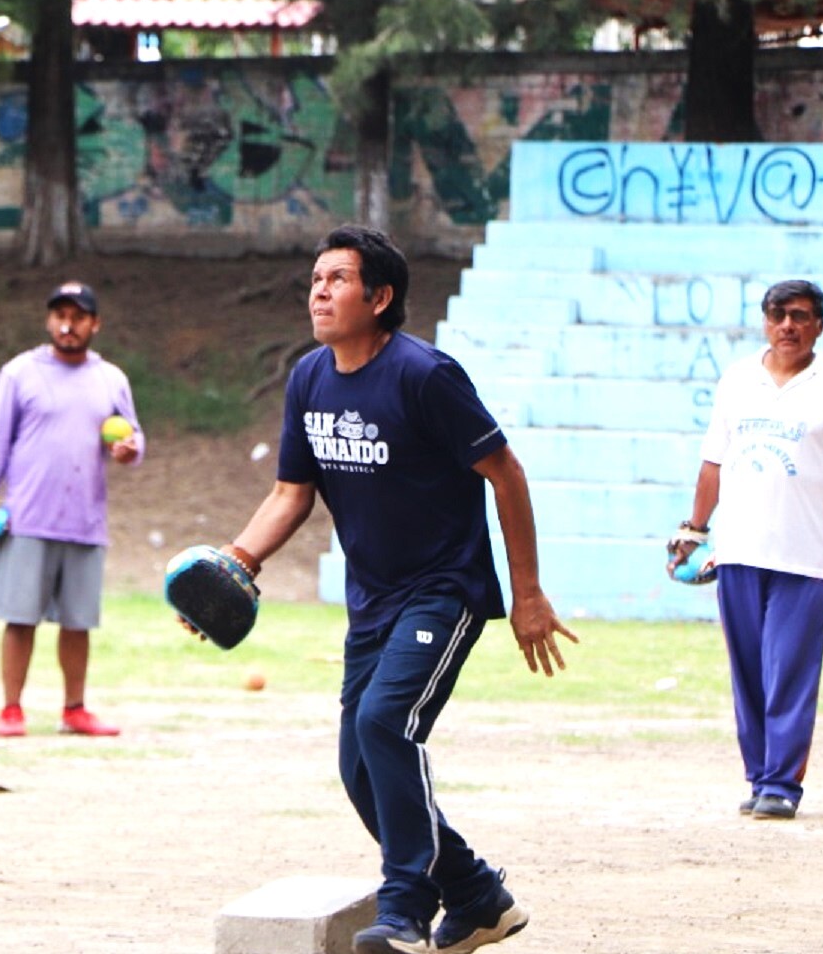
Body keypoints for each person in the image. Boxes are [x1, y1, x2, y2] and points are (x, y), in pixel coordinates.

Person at [209, 225, 576, 954]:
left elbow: (506, 472)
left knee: (384, 727)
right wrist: (236, 563)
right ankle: (476, 895)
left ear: (380, 298)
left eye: (337, 279)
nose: (319, 290)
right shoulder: (309, 377)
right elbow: (292, 493)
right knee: (358, 766)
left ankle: (404, 910)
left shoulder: (425, 376)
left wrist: (526, 593)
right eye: (315, 278)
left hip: (446, 589)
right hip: (371, 598)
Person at [667, 279, 823, 822]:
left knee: (790, 669)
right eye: (779, 314)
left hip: (804, 555)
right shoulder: (738, 379)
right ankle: (760, 775)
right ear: (765, 321)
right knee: (749, 670)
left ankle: (783, 783)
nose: (789, 325)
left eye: (801, 316)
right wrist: (695, 529)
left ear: (819, 325)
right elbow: (713, 461)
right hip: (736, 549)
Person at [0, 281, 142, 738]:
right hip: (28, 518)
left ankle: (75, 709)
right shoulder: (19, 373)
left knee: (78, 622)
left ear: (94, 324)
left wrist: (128, 450)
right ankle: (11, 709)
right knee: (20, 618)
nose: (68, 324)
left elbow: (133, 440)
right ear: (48, 321)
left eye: (78, 316)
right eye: (60, 315)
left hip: (85, 518)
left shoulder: (111, 379)